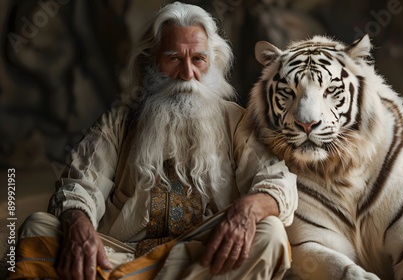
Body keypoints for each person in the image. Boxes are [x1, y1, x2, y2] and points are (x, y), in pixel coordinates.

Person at [13, 2, 297, 279]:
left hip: (204, 253)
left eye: (198, 59)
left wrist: (247, 210)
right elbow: (81, 185)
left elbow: (276, 183)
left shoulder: (238, 121)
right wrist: (79, 224)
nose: (187, 74)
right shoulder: (120, 122)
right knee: (39, 228)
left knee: (269, 233)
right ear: (151, 63)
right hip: (123, 254)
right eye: (173, 58)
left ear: (213, 63)